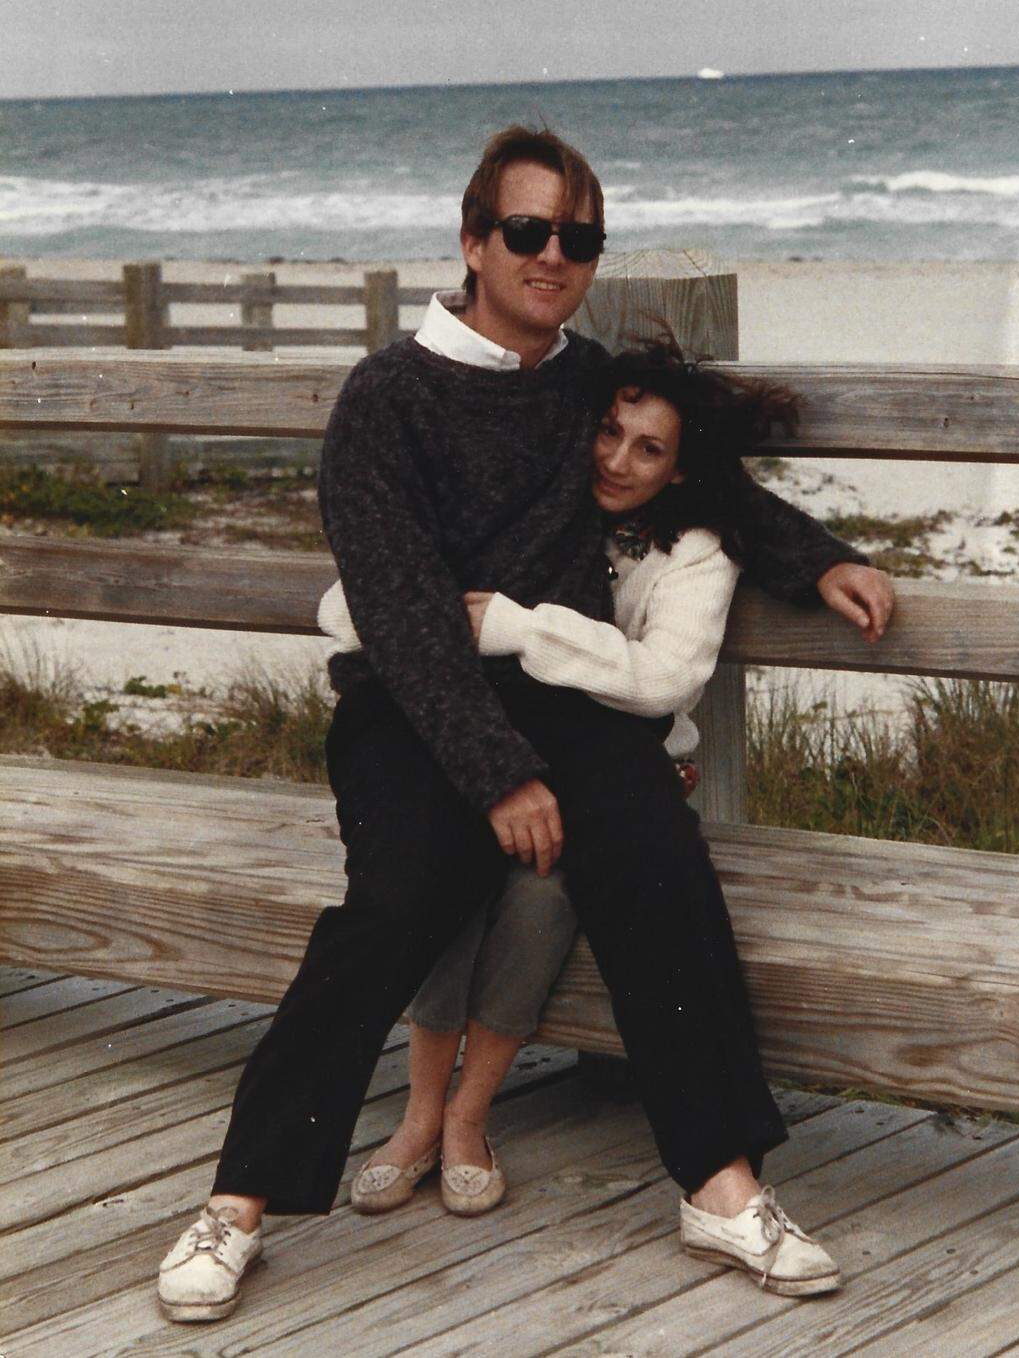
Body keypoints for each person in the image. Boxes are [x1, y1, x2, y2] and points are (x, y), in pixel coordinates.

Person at [157, 126, 892, 1324]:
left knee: (660, 864)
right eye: (529, 231)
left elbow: (702, 474)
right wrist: (497, 774)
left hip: (563, 711)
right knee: (399, 897)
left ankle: (721, 1183)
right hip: (413, 704)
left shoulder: (582, 382)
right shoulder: (387, 398)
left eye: (580, 238)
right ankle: (239, 1200)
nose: (555, 256)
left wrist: (822, 561)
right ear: (472, 240)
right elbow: (398, 613)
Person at [320, 336, 892, 1222]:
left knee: (548, 891)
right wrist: (433, 623)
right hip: (490, 746)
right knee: (443, 871)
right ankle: (421, 1114)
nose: (617, 460)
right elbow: (352, 602)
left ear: (679, 466)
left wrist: (517, 626)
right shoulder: (538, 499)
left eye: (649, 448)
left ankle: (473, 1120)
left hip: (610, 760)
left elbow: (664, 675)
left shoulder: (695, 541)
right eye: (609, 432)